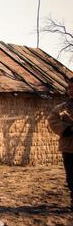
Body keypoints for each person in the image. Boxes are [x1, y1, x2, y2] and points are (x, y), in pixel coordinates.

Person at [48, 77, 73, 211]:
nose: (71, 91)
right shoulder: (62, 108)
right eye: (69, 88)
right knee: (71, 176)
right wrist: (67, 129)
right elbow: (53, 121)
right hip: (69, 148)